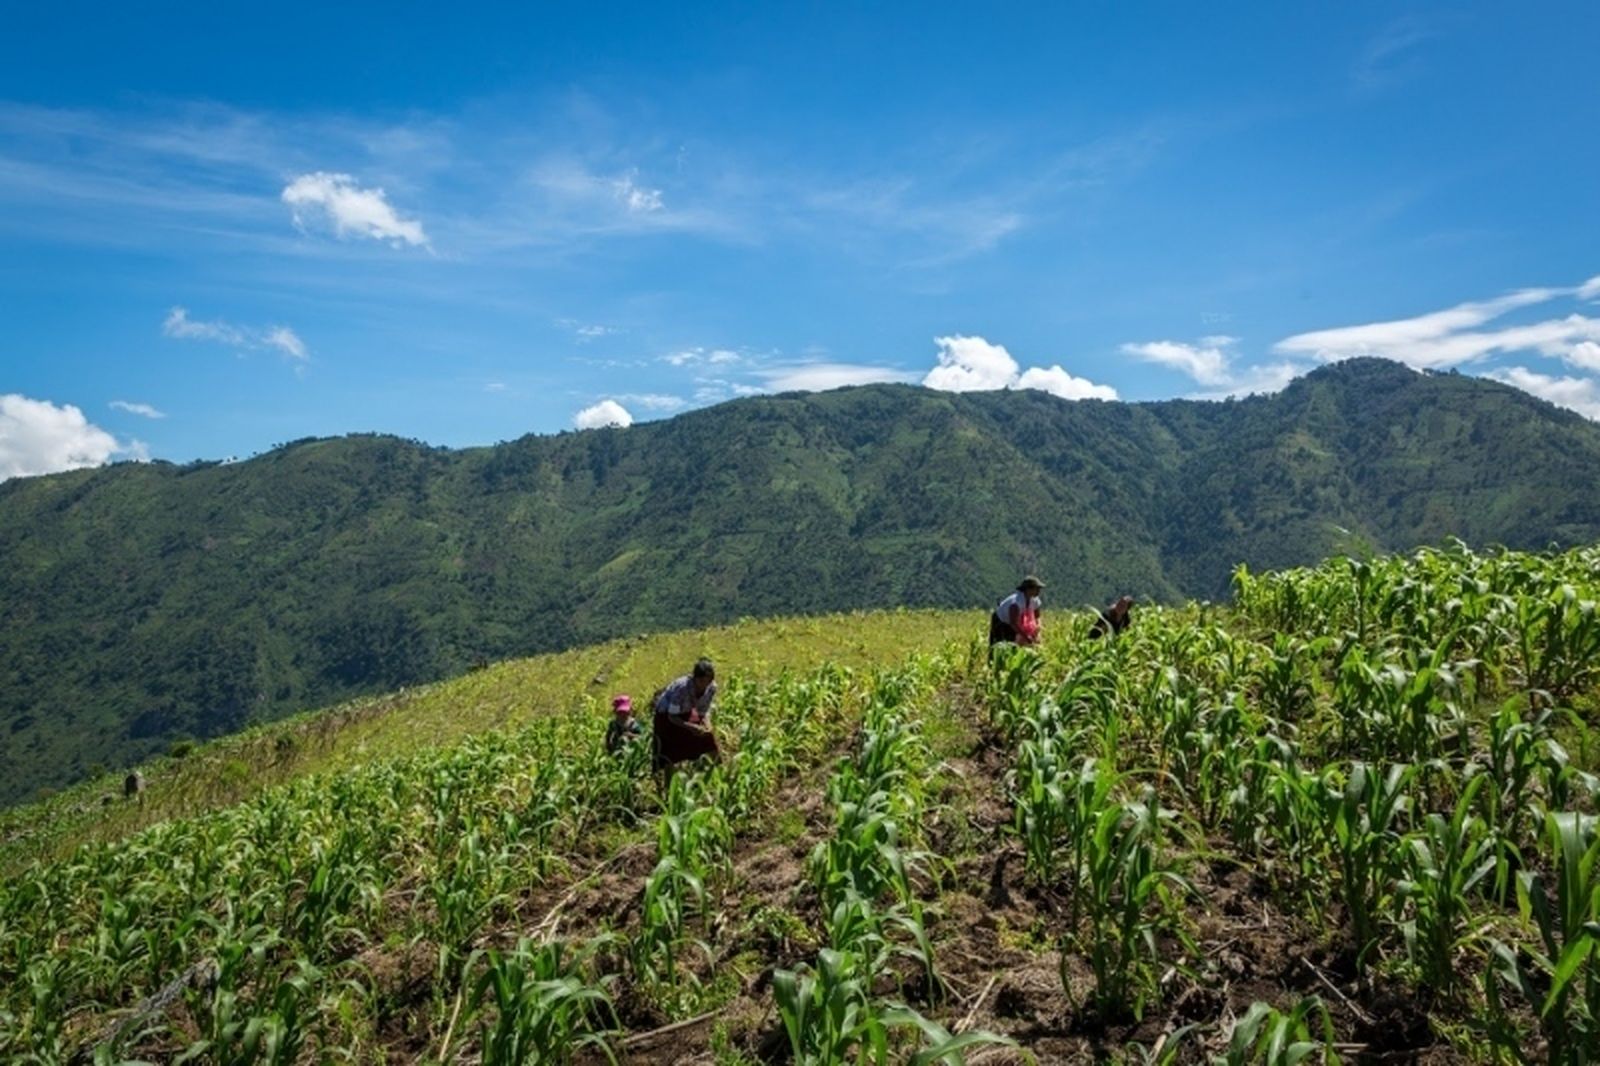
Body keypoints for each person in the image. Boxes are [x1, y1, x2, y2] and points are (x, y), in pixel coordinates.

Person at [651, 658, 720, 771]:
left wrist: (708, 725)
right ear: (694, 678)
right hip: (666, 716)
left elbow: (703, 711)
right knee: (669, 753)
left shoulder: (711, 688)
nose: (704, 685)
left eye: (708, 681)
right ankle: (668, 784)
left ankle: (721, 774)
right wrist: (691, 727)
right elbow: (672, 716)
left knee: (708, 739)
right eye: (701, 681)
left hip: (687, 711)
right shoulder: (682, 688)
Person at [990, 576, 1044, 648]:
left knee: (1014, 644)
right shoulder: (1016, 603)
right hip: (1001, 621)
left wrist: (1037, 629)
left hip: (1015, 622)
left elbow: (1037, 616)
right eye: (1036, 588)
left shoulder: (1035, 600)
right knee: (1000, 644)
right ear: (1028, 589)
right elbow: (1014, 623)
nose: (1038, 591)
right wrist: (1026, 637)